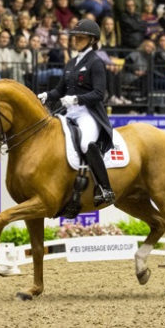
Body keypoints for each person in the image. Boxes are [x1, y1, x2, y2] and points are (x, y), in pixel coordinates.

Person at [37, 19, 115, 206]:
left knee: (86, 143)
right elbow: (59, 90)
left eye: (80, 37)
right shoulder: (71, 63)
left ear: (91, 40)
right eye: (75, 37)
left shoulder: (96, 62)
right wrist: (46, 95)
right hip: (69, 112)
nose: (76, 40)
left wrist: (77, 99)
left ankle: (105, 188)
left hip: (88, 113)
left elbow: (99, 93)